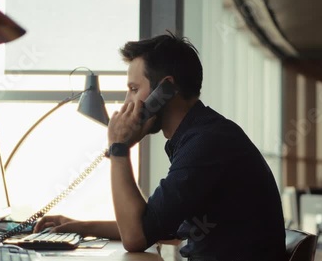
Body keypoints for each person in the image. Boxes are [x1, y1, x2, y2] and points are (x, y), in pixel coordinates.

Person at [34, 32, 285, 260]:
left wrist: (119, 147)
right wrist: (80, 227)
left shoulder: (206, 142)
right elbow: (156, 224)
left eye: (134, 89)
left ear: (165, 89)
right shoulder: (201, 134)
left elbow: (136, 237)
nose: (126, 103)